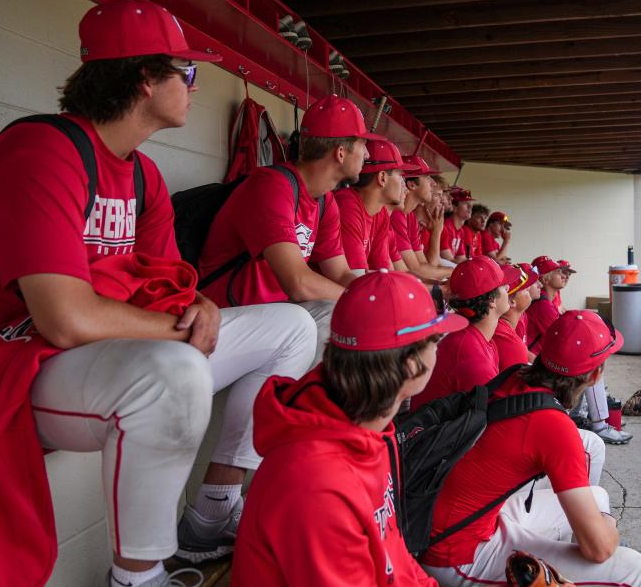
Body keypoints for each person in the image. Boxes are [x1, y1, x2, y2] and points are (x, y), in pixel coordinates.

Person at [0, 0, 317, 587]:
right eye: (188, 73)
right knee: (172, 370)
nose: (193, 87)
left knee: (288, 328)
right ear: (144, 79)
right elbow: (63, 317)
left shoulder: (144, 175)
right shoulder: (41, 151)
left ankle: (213, 508)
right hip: (5, 359)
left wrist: (198, 305)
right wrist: (177, 328)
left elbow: (164, 285)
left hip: (91, 356)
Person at [231, 270, 522, 587]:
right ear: (412, 366)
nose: (440, 349)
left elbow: (393, 554)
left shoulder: (370, 428)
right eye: (436, 340)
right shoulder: (314, 483)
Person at [419, 310, 641, 587]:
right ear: (595, 375)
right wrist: (608, 527)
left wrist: (600, 521)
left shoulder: (517, 374)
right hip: (457, 553)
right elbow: (598, 548)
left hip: (463, 520)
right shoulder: (553, 425)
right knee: (637, 574)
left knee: (598, 499)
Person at [198, 94, 378, 364]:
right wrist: (363, 302)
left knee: (338, 312)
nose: (367, 154)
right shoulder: (271, 185)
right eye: (363, 144)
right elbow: (298, 283)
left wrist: (378, 296)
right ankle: (281, 404)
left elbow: (340, 273)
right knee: (325, 315)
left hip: (271, 319)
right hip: (219, 317)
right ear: (340, 152)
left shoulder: (325, 200)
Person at [527, 257, 631, 445]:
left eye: (567, 273)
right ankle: (599, 425)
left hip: (542, 359)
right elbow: (565, 340)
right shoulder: (542, 306)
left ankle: (582, 416)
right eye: (561, 272)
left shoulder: (550, 299)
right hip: (540, 362)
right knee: (590, 363)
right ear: (545, 278)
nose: (566, 276)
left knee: (589, 361)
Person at [411, 256, 512, 410]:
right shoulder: (472, 356)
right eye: (504, 286)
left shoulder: (478, 338)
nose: (509, 289)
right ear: (492, 300)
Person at [334, 138, 413, 274]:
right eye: (400, 176)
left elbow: (384, 272)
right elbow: (357, 277)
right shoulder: (347, 205)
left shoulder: (380, 214)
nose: (404, 185)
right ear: (382, 178)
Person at [493, 263, 538, 370]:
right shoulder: (506, 339)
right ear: (511, 301)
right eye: (526, 288)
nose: (529, 290)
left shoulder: (505, 327)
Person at [440, 188, 473, 264]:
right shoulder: (445, 226)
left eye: (471, 204)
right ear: (454, 208)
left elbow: (461, 258)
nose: (470, 207)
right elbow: (447, 259)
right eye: (465, 203)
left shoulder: (461, 231)